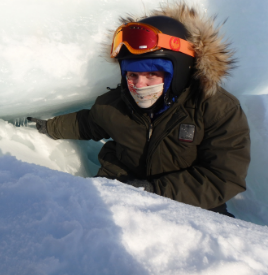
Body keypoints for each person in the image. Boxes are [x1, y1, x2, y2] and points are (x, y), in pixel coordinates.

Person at [28, 3, 250, 217]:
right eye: (132, 75)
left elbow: (223, 177)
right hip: (117, 188)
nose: (139, 84)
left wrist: (153, 191)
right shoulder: (117, 104)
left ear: (180, 71)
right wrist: (48, 126)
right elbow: (87, 123)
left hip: (192, 205)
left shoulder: (216, 109)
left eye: (151, 74)